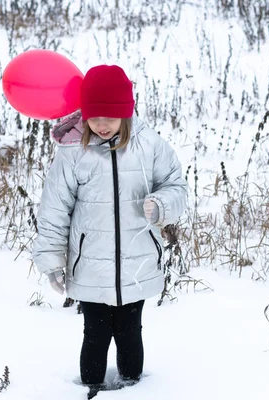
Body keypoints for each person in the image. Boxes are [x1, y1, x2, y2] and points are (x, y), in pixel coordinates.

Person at [32, 64, 188, 399]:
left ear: (126, 112)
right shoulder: (74, 152)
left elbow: (176, 186)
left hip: (138, 262)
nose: (101, 125)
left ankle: (134, 391)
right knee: (96, 333)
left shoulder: (150, 146)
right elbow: (54, 209)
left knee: (131, 332)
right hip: (91, 266)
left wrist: (161, 205)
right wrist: (51, 261)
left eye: (110, 116)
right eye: (94, 116)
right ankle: (90, 389)